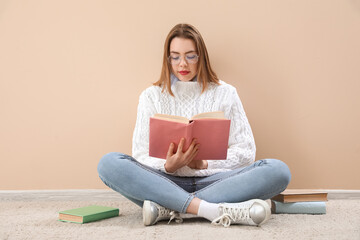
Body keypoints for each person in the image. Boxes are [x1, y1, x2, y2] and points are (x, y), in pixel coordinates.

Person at [97, 23, 291, 227]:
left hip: (217, 182)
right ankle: (209, 209)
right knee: (108, 163)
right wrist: (168, 166)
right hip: (165, 181)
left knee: (278, 170)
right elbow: (140, 153)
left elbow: (246, 150)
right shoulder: (151, 96)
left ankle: (169, 208)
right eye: (175, 56)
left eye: (190, 56)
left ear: (201, 58)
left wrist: (205, 164)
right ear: (168, 58)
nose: (182, 64)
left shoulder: (226, 92)